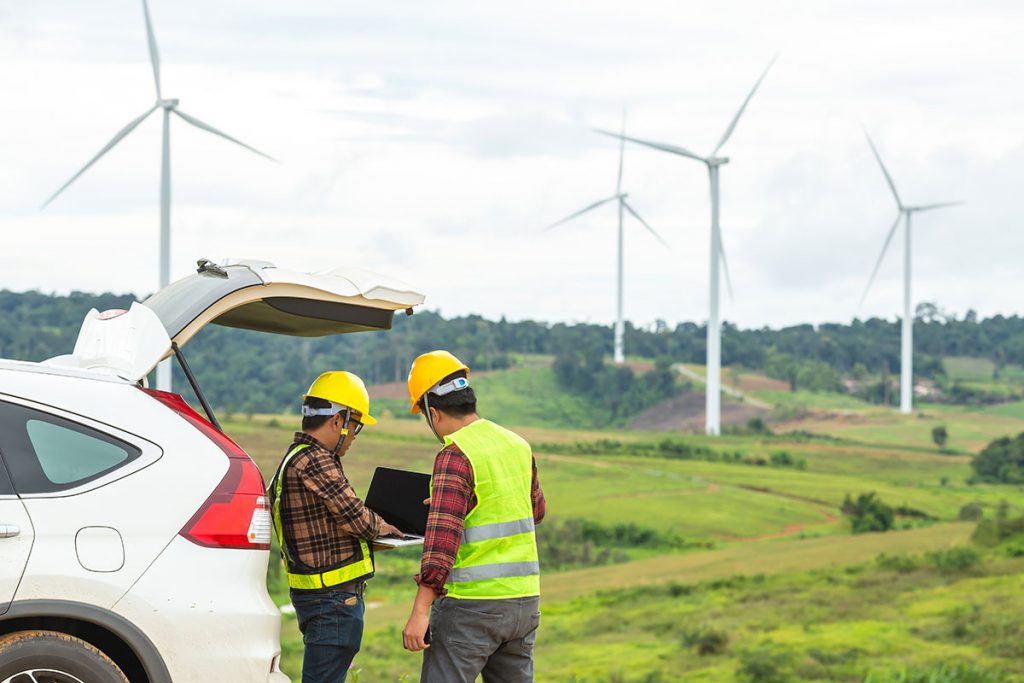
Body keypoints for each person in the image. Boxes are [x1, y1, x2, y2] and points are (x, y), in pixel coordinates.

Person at [401, 350, 546, 682]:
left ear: (432, 413)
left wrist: (420, 612)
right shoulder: (517, 444)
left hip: (472, 608)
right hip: (523, 602)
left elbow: (441, 546)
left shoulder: (455, 454)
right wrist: (460, 504)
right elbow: (535, 511)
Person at [269, 371, 403, 683]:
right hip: (333, 603)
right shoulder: (316, 460)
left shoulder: (294, 457)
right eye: (356, 426)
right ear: (337, 421)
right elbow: (357, 517)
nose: (356, 435)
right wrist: (383, 526)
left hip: (317, 598)